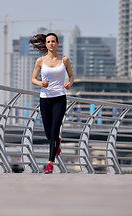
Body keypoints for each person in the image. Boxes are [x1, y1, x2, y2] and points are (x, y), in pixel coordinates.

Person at [30, 33, 74, 174]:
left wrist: (69, 84)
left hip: (60, 98)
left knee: (54, 130)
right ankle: (57, 142)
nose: (51, 44)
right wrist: (40, 83)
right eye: (48, 41)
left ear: (57, 43)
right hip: (45, 99)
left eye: (53, 41)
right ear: (46, 44)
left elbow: (71, 76)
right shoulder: (40, 61)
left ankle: (50, 163)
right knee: (49, 133)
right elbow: (33, 79)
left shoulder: (64, 60)